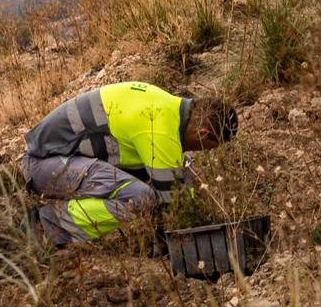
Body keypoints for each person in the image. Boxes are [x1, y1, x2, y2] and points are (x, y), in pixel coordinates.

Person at [21, 82, 238, 246]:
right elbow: (175, 205)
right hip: (44, 164)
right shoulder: (159, 125)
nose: (196, 151)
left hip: (67, 159)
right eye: (206, 147)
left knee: (180, 171)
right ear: (203, 134)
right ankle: (45, 225)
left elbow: (179, 183)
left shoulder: (167, 107)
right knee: (141, 197)